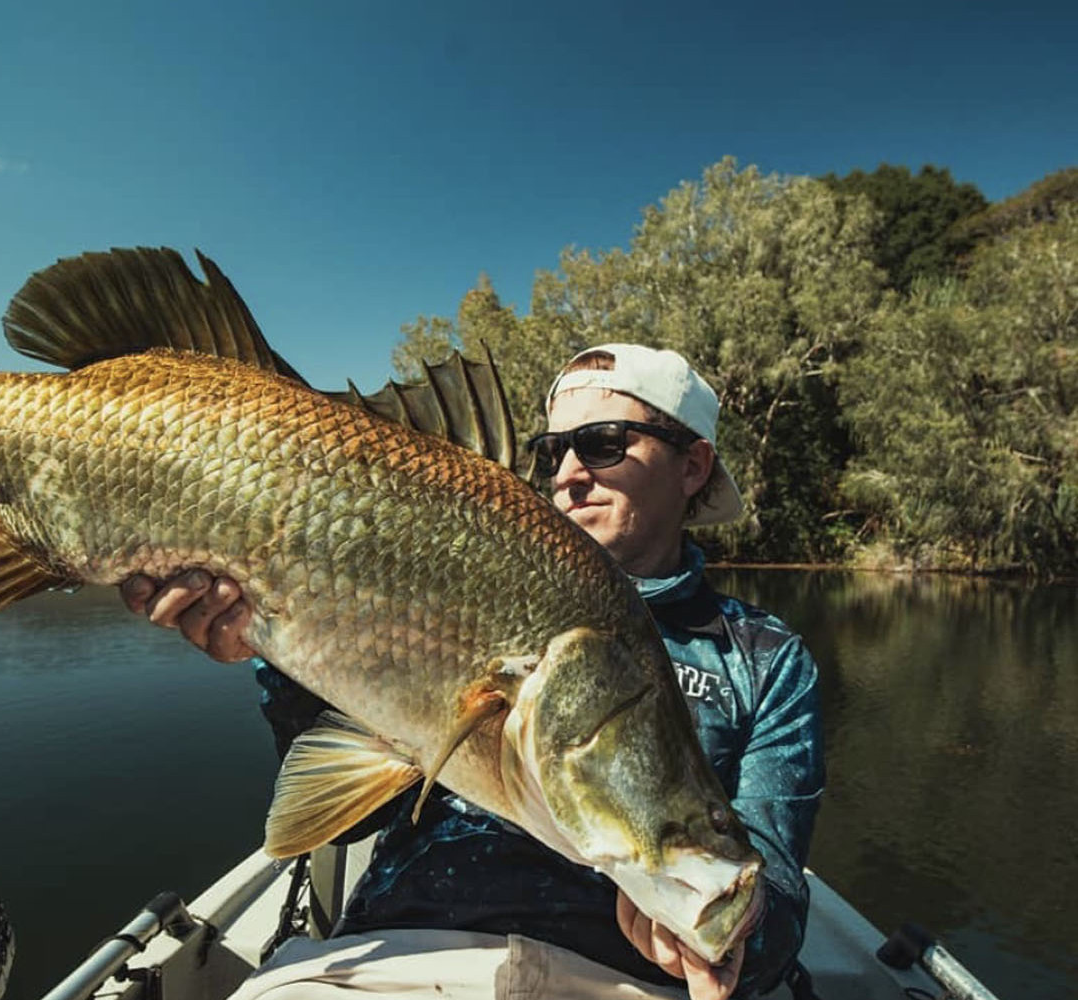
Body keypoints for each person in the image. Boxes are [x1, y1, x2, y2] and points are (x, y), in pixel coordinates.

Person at [120, 344, 825, 1000]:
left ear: (693, 466)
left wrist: (733, 933)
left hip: (622, 982)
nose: (569, 472)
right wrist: (268, 647)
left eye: (604, 444)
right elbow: (347, 823)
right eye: (552, 450)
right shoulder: (453, 570)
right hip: (391, 961)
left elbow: (775, 904)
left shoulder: (763, 658)